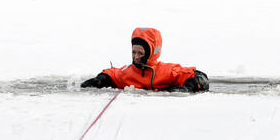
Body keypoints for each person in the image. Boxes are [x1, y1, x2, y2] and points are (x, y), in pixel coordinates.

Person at [81, 27, 210, 92]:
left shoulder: (167, 71)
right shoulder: (127, 73)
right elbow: (112, 74)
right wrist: (101, 79)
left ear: (151, 53)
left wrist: (186, 88)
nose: (136, 57)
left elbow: (201, 78)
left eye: (140, 53)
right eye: (133, 52)